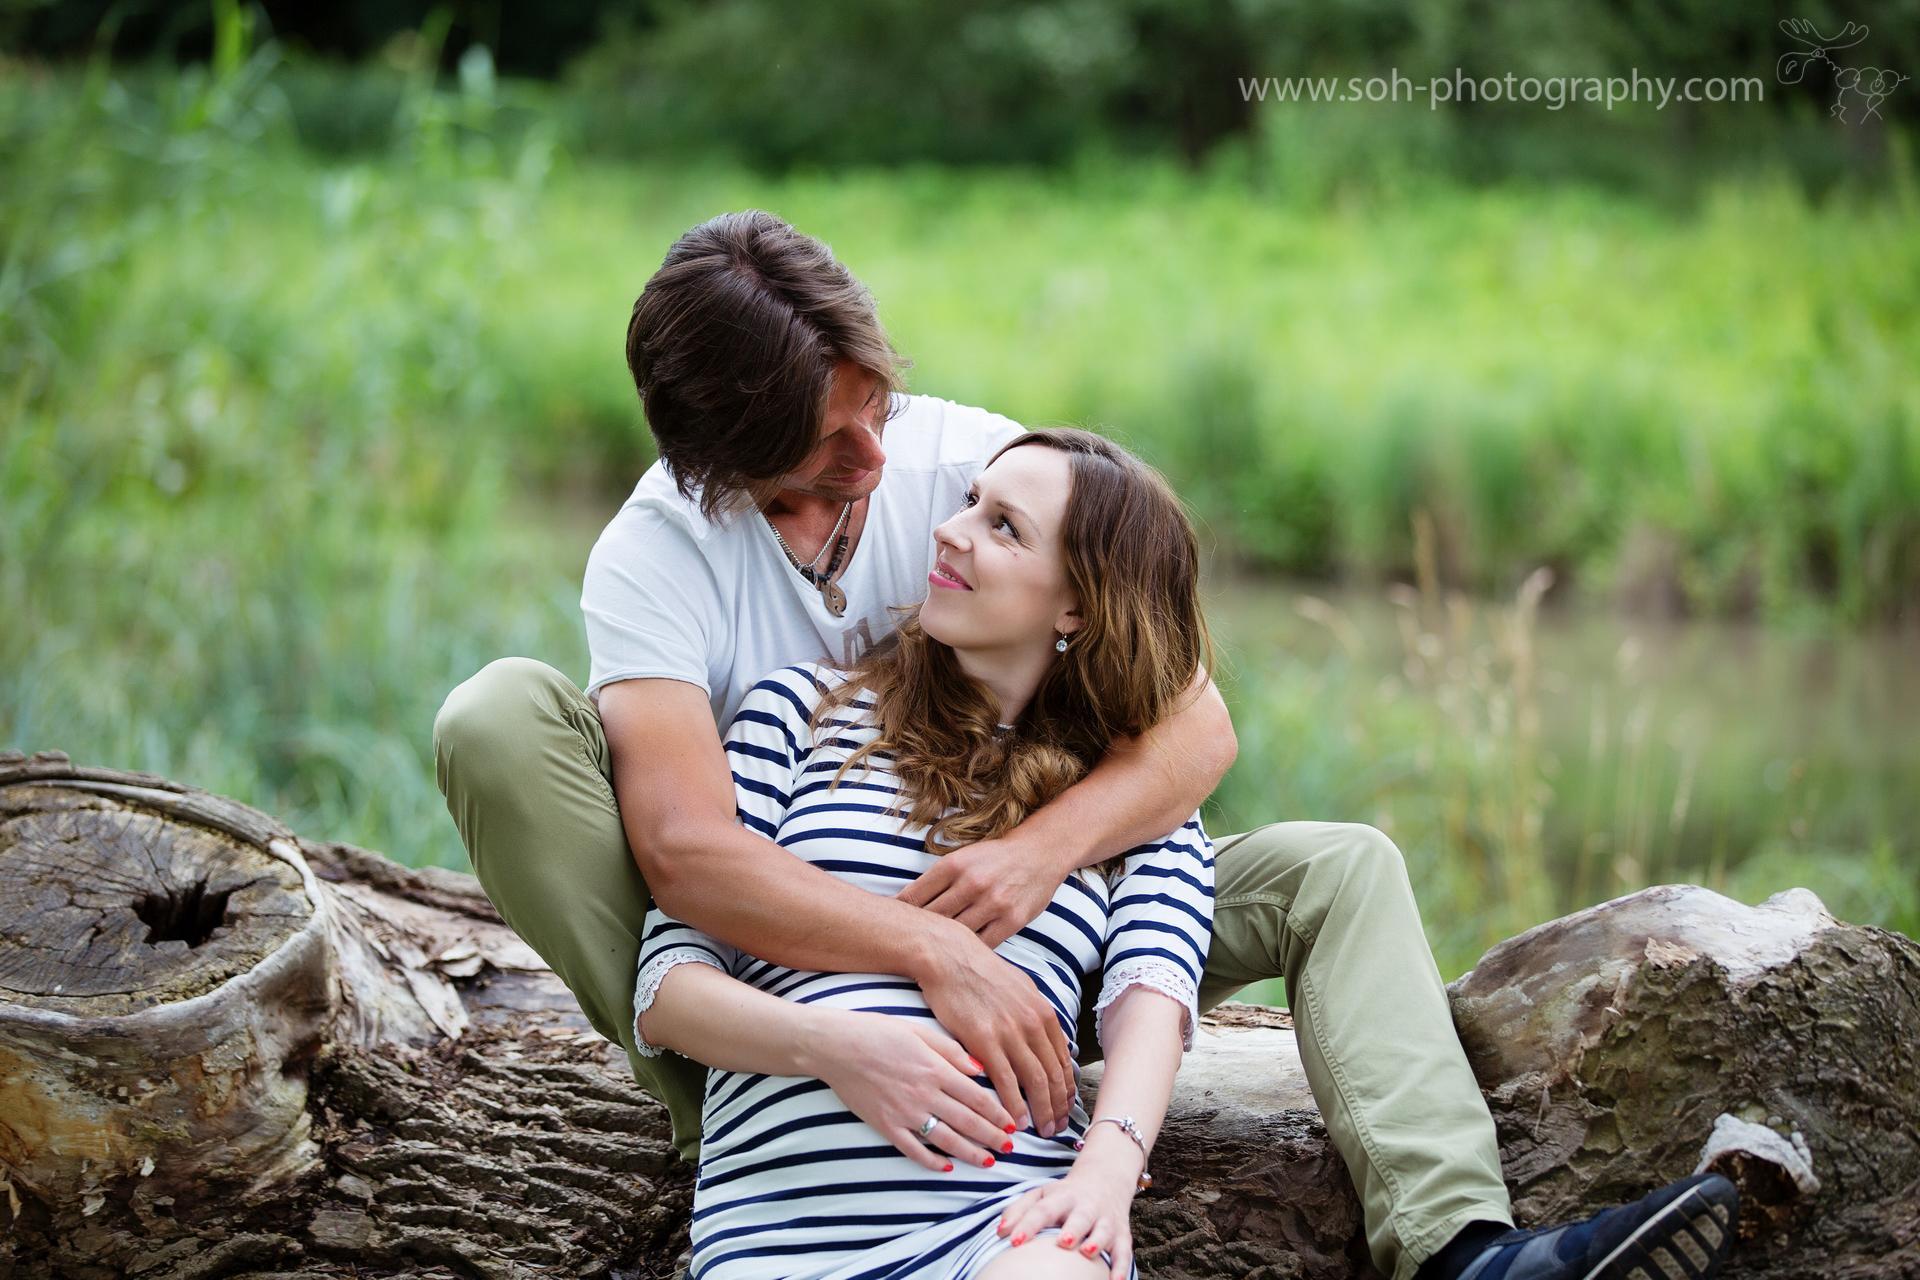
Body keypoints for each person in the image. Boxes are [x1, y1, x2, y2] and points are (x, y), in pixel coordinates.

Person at [433, 210, 1739, 1280]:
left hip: (1043, 909)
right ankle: (723, 1110)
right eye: (830, 450)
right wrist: (912, 960)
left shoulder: (958, 467)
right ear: (722, 470)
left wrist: (1036, 864)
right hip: (790, 918)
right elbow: (687, 854)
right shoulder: (660, 561)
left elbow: (1194, 726)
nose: (885, 464)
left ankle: (1463, 1253)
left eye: (874, 409)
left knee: (1331, 868)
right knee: (492, 719)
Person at [635, 429, 1213, 1278]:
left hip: (1004, 1226)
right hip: (774, 1238)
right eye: (970, 501)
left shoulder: (1128, 805)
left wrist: (1107, 1171)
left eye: (1005, 526)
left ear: (1078, 607)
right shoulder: (800, 713)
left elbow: (1151, 996)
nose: (951, 529)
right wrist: (834, 1046)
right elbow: (667, 992)